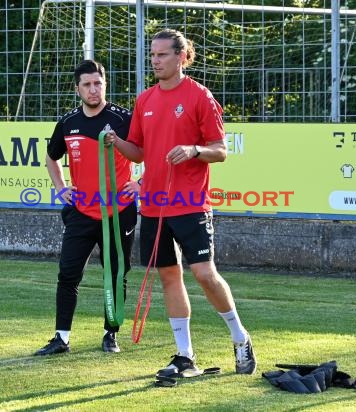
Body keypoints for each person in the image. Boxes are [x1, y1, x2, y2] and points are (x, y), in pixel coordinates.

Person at [105, 29, 257, 375]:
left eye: (162, 55)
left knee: (203, 273)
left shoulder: (200, 97)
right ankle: (185, 355)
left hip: (190, 203)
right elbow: (139, 150)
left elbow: (220, 151)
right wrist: (115, 142)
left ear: (181, 57)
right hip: (154, 205)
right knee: (169, 277)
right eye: (153, 55)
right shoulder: (144, 100)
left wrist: (193, 150)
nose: (155, 61)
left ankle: (240, 337)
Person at [34, 59, 138, 355]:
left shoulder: (123, 120)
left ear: (105, 84)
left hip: (118, 212)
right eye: (87, 85)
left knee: (116, 272)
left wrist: (142, 184)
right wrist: (61, 188)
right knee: (68, 273)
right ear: (77, 88)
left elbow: (148, 152)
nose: (94, 90)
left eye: (98, 83)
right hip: (81, 210)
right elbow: (51, 158)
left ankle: (111, 333)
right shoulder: (68, 122)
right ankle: (61, 338)